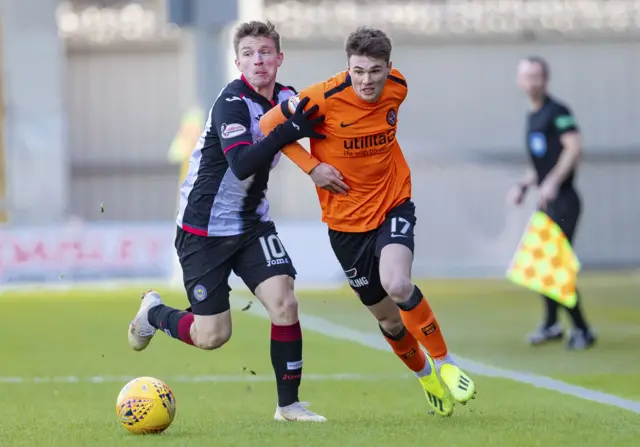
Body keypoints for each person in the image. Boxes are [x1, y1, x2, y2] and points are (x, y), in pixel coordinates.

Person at [260, 27, 476, 417]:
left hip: (393, 202)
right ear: (347, 67)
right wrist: (313, 168)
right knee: (390, 322)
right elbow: (266, 127)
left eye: (374, 70)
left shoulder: (399, 87)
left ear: (389, 68)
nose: (366, 80)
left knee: (398, 283)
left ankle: (446, 363)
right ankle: (426, 375)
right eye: (358, 71)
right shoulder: (320, 98)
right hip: (345, 224)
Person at [127, 20, 328, 422]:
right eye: (250, 55)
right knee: (213, 336)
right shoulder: (231, 104)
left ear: (279, 58)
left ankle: (288, 406)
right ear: (238, 62)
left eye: (266, 53)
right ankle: (153, 314)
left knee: (285, 301)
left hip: (252, 224)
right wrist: (287, 131)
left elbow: (326, 121)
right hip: (203, 230)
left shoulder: (289, 97)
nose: (259, 61)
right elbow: (240, 163)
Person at [508, 56, 595, 350]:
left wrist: (553, 182)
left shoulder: (558, 112)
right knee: (538, 263)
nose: (532, 82)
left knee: (555, 263)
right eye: (527, 76)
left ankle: (582, 329)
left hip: (565, 200)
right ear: (520, 81)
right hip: (547, 201)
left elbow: (573, 148)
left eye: (537, 76)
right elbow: (541, 165)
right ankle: (551, 325)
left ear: (546, 79)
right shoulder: (533, 116)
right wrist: (523, 185)